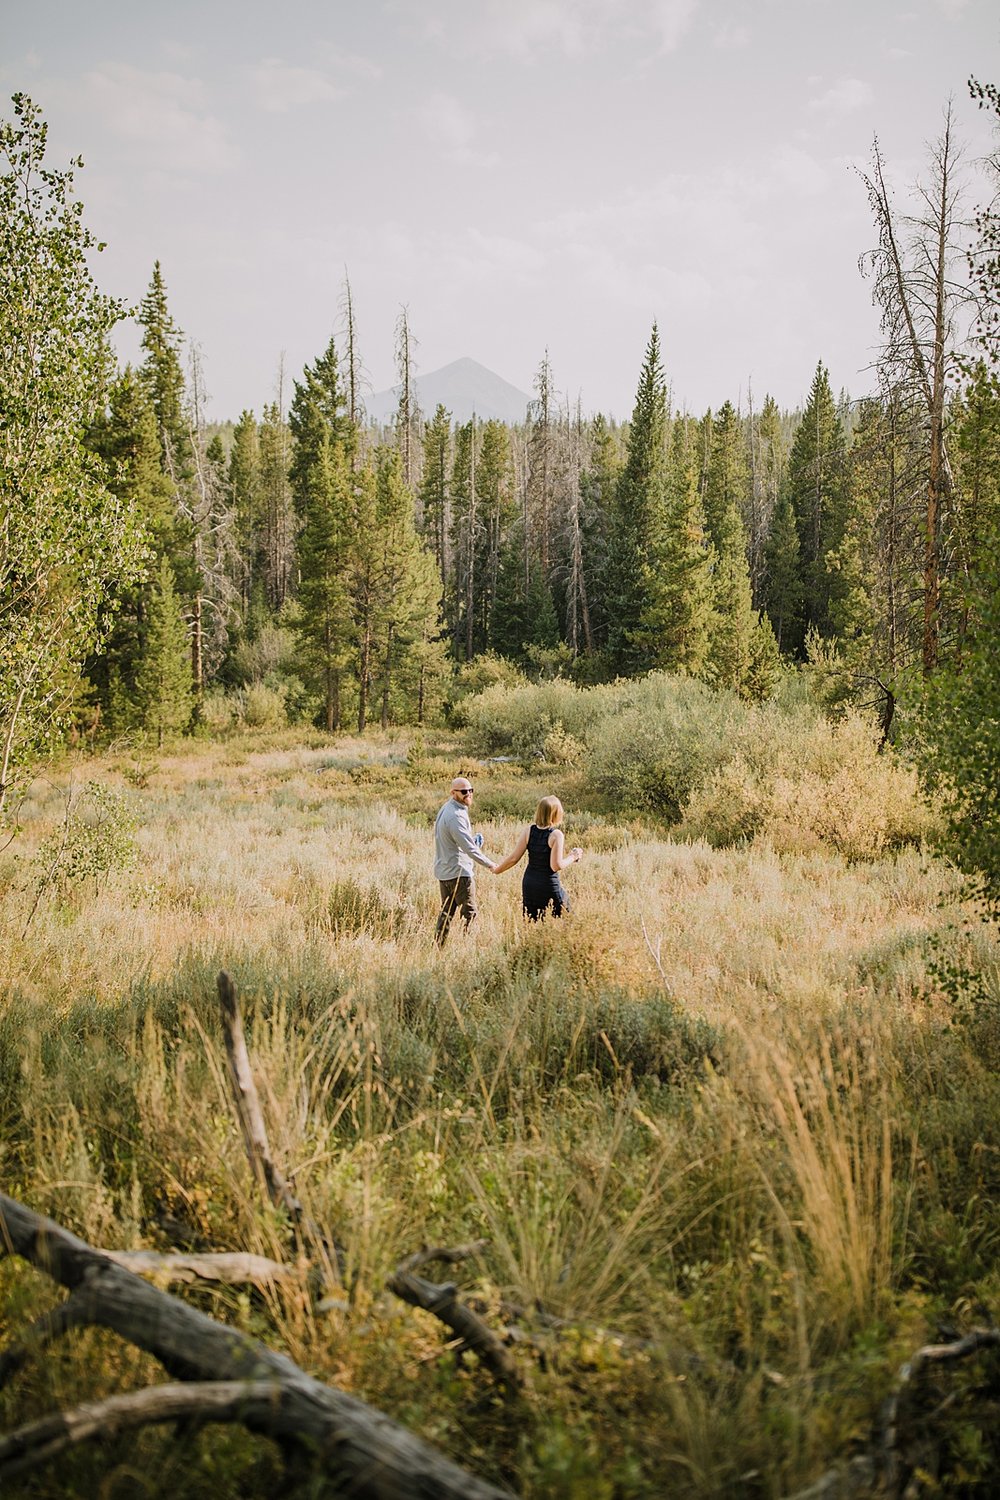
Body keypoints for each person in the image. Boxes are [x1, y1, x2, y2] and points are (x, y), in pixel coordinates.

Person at [493, 795, 582, 920]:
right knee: (567, 920)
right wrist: (574, 856)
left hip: (530, 884)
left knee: (533, 921)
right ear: (555, 814)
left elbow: (514, 858)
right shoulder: (556, 835)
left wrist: (498, 870)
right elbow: (556, 866)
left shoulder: (529, 831)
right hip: (548, 884)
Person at [434, 776, 497, 945]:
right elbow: (469, 848)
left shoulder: (448, 809)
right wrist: (490, 864)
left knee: (446, 913)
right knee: (470, 913)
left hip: (445, 871)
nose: (468, 794)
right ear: (453, 793)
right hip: (459, 873)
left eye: (470, 790)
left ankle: (438, 947)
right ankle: (468, 948)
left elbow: (458, 841)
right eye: (463, 791)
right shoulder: (455, 815)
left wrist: (472, 841)